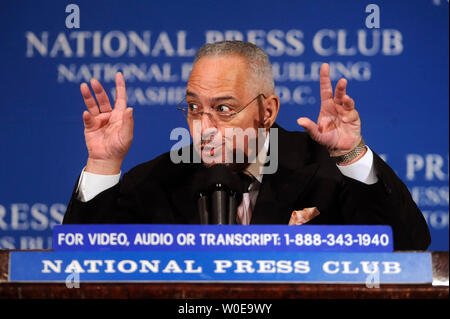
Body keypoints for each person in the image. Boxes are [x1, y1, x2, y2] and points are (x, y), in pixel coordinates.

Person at [63, 40, 430, 250]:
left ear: (267, 110)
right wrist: (103, 163)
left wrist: (351, 155)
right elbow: (82, 261)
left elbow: (409, 246)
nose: (204, 128)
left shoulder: (325, 169)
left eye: (223, 109)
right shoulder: (157, 179)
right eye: (193, 108)